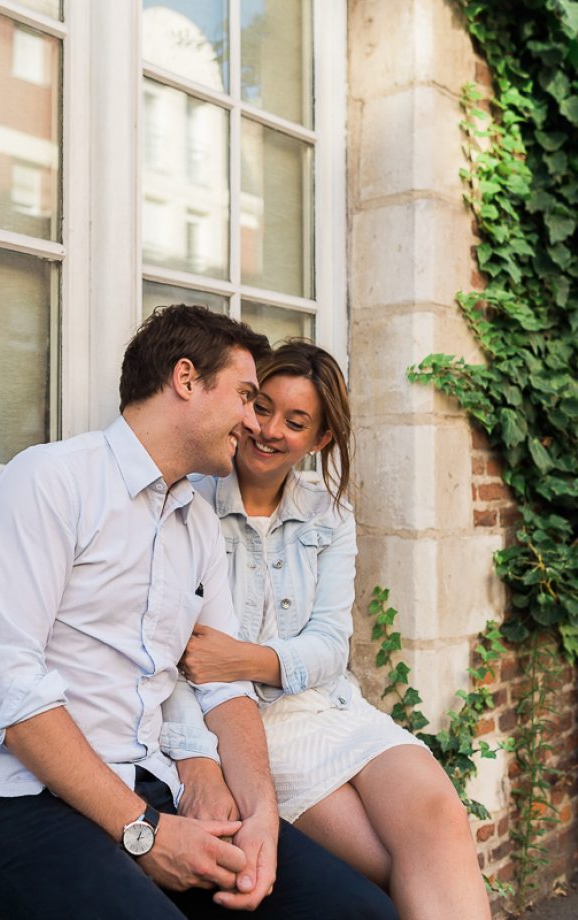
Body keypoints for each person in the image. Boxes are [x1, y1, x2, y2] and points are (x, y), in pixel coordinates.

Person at [0, 307, 398, 920]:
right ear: (185, 379)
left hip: (151, 783)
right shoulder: (49, 481)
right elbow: (9, 689)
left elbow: (225, 689)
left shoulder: (196, 523)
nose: (250, 419)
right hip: (16, 799)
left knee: (358, 912)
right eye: (243, 395)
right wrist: (143, 831)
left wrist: (261, 816)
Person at [163, 339, 491, 920]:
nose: (268, 430)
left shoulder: (329, 515)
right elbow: (178, 663)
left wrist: (240, 657)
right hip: (249, 727)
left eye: (295, 422)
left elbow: (329, 648)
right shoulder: (191, 503)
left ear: (320, 440)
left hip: (330, 707)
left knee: (440, 818)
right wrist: (202, 751)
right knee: (393, 865)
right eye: (261, 407)